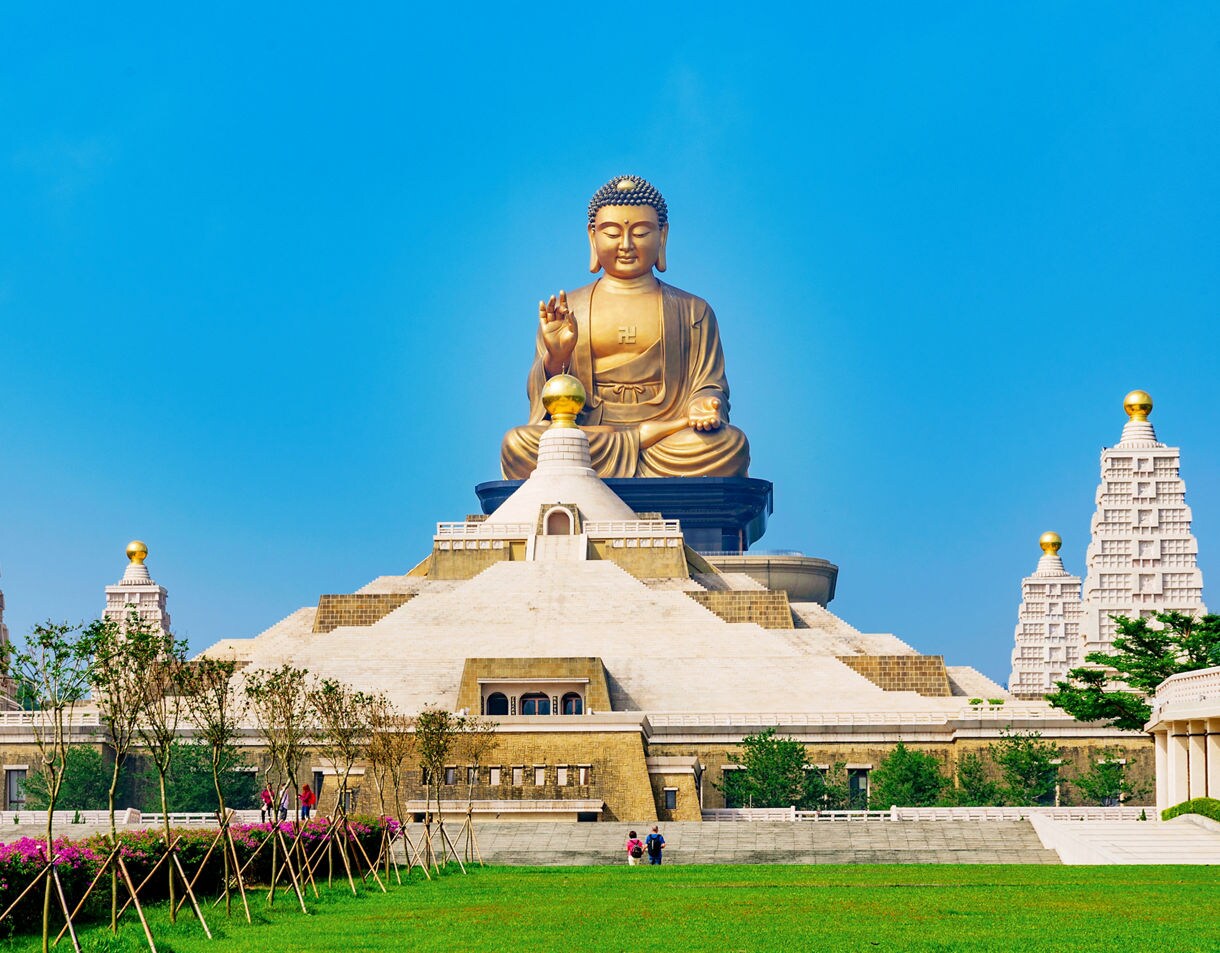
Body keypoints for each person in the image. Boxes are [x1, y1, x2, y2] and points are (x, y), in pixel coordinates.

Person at [501, 175, 749, 480]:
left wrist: (703, 406)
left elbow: (709, 384)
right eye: (612, 233)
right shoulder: (567, 310)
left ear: (663, 236)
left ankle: (640, 449)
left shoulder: (693, 310)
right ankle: (636, 449)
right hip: (590, 435)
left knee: (730, 445)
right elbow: (548, 406)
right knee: (518, 444)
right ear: (592, 237)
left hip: (667, 441)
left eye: (642, 232)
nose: (626, 245)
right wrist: (556, 358)